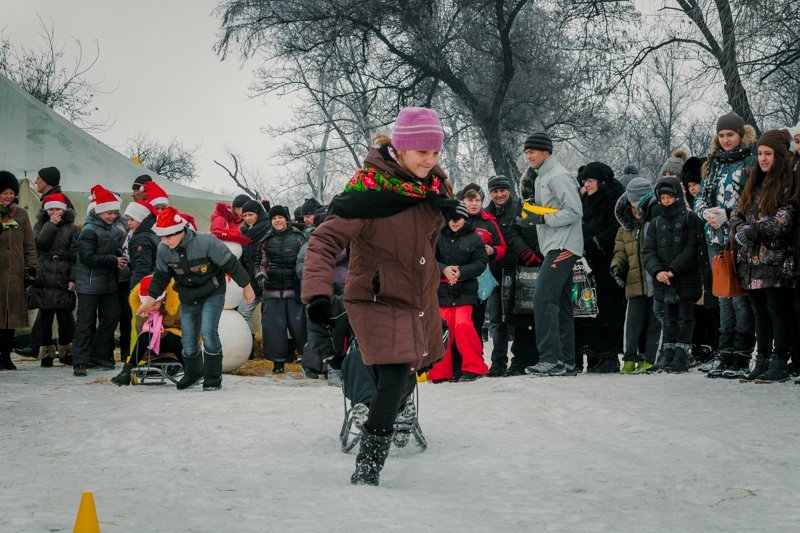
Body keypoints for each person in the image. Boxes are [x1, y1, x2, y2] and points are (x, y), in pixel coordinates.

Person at [302, 106, 455, 486]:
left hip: (417, 297)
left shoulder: (432, 187)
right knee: (392, 375)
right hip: (374, 297)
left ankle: (389, 410)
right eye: (422, 152)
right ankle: (368, 468)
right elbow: (322, 242)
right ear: (400, 149)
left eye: (435, 152)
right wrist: (318, 294)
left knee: (406, 373)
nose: (430, 160)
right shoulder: (368, 193)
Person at [138, 207, 255, 391]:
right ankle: (194, 373)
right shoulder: (163, 249)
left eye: (168, 236)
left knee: (208, 333)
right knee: (188, 341)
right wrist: (149, 299)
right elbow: (161, 277)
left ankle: (213, 377)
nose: (165, 241)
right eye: (162, 237)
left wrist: (246, 287)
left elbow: (230, 263)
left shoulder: (206, 241)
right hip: (188, 295)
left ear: (181, 231)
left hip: (212, 291)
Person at [729, 130, 797, 383]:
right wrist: (737, 228)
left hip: (776, 261)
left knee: (777, 310)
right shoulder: (753, 182)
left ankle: (781, 360)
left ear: (779, 156)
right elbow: (737, 211)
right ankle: (763, 358)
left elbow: (785, 219)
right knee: (759, 311)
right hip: (750, 262)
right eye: (759, 153)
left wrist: (752, 230)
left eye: (768, 154)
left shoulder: (787, 182)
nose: (763, 158)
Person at [695, 112, 757, 378]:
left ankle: (742, 353)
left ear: (740, 135)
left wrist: (729, 212)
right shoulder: (713, 164)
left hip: (737, 237)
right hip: (714, 238)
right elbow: (699, 198)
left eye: (730, 134)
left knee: (739, 298)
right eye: (721, 135)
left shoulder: (750, 161)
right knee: (722, 296)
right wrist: (705, 212)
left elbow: (754, 197)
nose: (726, 139)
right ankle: (725, 350)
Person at [519, 132, 584, 377]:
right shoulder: (541, 177)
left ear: (547, 151)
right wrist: (533, 218)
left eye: (532, 151)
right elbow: (556, 210)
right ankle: (566, 362)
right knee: (561, 304)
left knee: (543, 298)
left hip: (564, 246)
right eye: (526, 152)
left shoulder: (558, 175)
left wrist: (543, 218)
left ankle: (550, 359)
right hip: (555, 244)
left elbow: (575, 211)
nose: (528, 156)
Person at [643, 179, 702, 373]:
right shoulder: (655, 223)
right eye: (663, 198)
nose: (666, 201)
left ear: (677, 197)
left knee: (685, 316)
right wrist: (658, 271)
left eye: (670, 197)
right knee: (668, 317)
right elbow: (648, 252)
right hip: (663, 279)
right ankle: (667, 352)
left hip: (684, 276)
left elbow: (692, 248)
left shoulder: (690, 218)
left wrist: (673, 269)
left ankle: (682, 353)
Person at [574, 161, 626, 372]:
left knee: (608, 310)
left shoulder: (615, 199)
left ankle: (608, 356)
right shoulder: (586, 198)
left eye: (591, 180)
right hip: (588, 263)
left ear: (603, 181)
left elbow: (616, 228)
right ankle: (593, 356)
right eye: (585, 180)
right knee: (588, 310)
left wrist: (594, 242)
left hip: (607, 261)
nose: (587, 184)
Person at [429, 203, 488, 382]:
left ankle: (474, 367)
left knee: (463, 325)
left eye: (459, 219)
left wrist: (461, 272)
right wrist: (444, 269)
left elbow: (480, 263)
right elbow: (428, 258)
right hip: (442, 291)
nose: (454, 222)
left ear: (465, 219)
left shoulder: (475, 238)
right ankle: (439, 371)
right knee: (441, 329)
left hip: (465, 291)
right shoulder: (437, 236)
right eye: (451, 218)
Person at [72, 185, 126, 377]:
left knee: (112, 316)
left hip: (108, 284)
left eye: (114, 213)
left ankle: (98, 354)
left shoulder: (111, 230)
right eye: (109, 213)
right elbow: (86, 257)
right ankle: (79, 361)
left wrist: (120, 255)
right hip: (89, 284)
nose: (112, 216)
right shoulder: (88, 230)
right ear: (99, 211)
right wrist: (113, 260)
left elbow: (112, 249)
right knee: (85, 323)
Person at [611, 178, 661, 373]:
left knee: (655, 323)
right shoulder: (624, 230)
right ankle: (629, 357)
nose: (636, 210)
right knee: (632, 323)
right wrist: (616, 267)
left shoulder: (655, 223)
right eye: (632, 207)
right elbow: (620, 253)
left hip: (655, 281)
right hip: (634, 282)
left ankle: (650, 357)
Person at [255, 205, 307, 374]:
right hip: (272, 290)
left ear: (286, 219)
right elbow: (261, 263)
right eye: (274, 218)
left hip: (295, 289)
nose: (277, 221)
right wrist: (261, 275)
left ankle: (308, 359)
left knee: (301, 327)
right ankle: (278, 362)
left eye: (280, 217)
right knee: (274, 328)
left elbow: (305, 260)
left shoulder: (299, 238)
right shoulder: (266, 240)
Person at [28, 193, 78, 367]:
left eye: (57, 209)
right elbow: (40, 245)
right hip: (45, 274)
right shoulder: (39, 226)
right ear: (45, 211)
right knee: (46, 316)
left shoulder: (71, 228)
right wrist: (51, 225)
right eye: (51, 209)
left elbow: (74, 255)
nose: (54, 212)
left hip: (63, 274)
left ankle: (66, 351)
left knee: (64, 315)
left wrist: (73, 278)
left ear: (64, 210)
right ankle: (46, 353)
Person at [112, 275, 183, 386]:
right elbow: (140, 331)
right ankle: (127, 371)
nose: (152, 307)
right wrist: (145, 318)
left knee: (171, 336)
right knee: (145, 335)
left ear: (163, 298)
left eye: (154, 304)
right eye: (148, 305)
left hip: (176, 344)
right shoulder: (142, 308)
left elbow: (186, 327)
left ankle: (190, 370)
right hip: (152, 348)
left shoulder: (176, 304)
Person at [460, 183, 507, 350]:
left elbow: (502, 247)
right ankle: (460, 363)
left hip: (482, 279)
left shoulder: (489, 223)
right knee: (461, 322)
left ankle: (477, 359)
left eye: (478, 200)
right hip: (458, 279)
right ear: (462, 201)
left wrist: (492, 251)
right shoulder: (455, 221)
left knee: (479, 321)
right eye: (470, 200)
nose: (474, 204)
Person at [682, 156, 719, 364]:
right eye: (689, 185)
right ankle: (700, 347)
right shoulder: (690, 207)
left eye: (696, 184)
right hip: (697, 264)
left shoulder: (707, 204)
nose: (693, 189)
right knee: (699, 308)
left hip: (711, 258)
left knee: (714, 306)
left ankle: (716, 345)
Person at [483, 175, 521, 376]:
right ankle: (498, 363)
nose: (499, 195)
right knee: (496, 319)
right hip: (493, 272)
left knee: (517, 317)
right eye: (495, 191)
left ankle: (519, 361)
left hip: (515, 270)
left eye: (502, 190)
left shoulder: (518, 209)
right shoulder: (485, 214)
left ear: (509, 190)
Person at [0, 171, 37, 370]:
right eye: (4, 192)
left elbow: (29, 244)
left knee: (10, 318)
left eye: (11, 192)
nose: (8, 196)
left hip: (14, 274)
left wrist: (31, 269)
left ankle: (6, 355)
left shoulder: (21, 214)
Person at [237, 200, 270, 355]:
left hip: (266, 281)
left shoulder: (268, 228)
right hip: (251, 283)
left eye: (251, 214)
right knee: (243, 312)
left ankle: (268, 350)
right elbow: (244, 258)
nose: (248, 218)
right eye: (245, 215)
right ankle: (248, 349)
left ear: (258, 214)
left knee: (267, 318)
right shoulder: (244, 232)